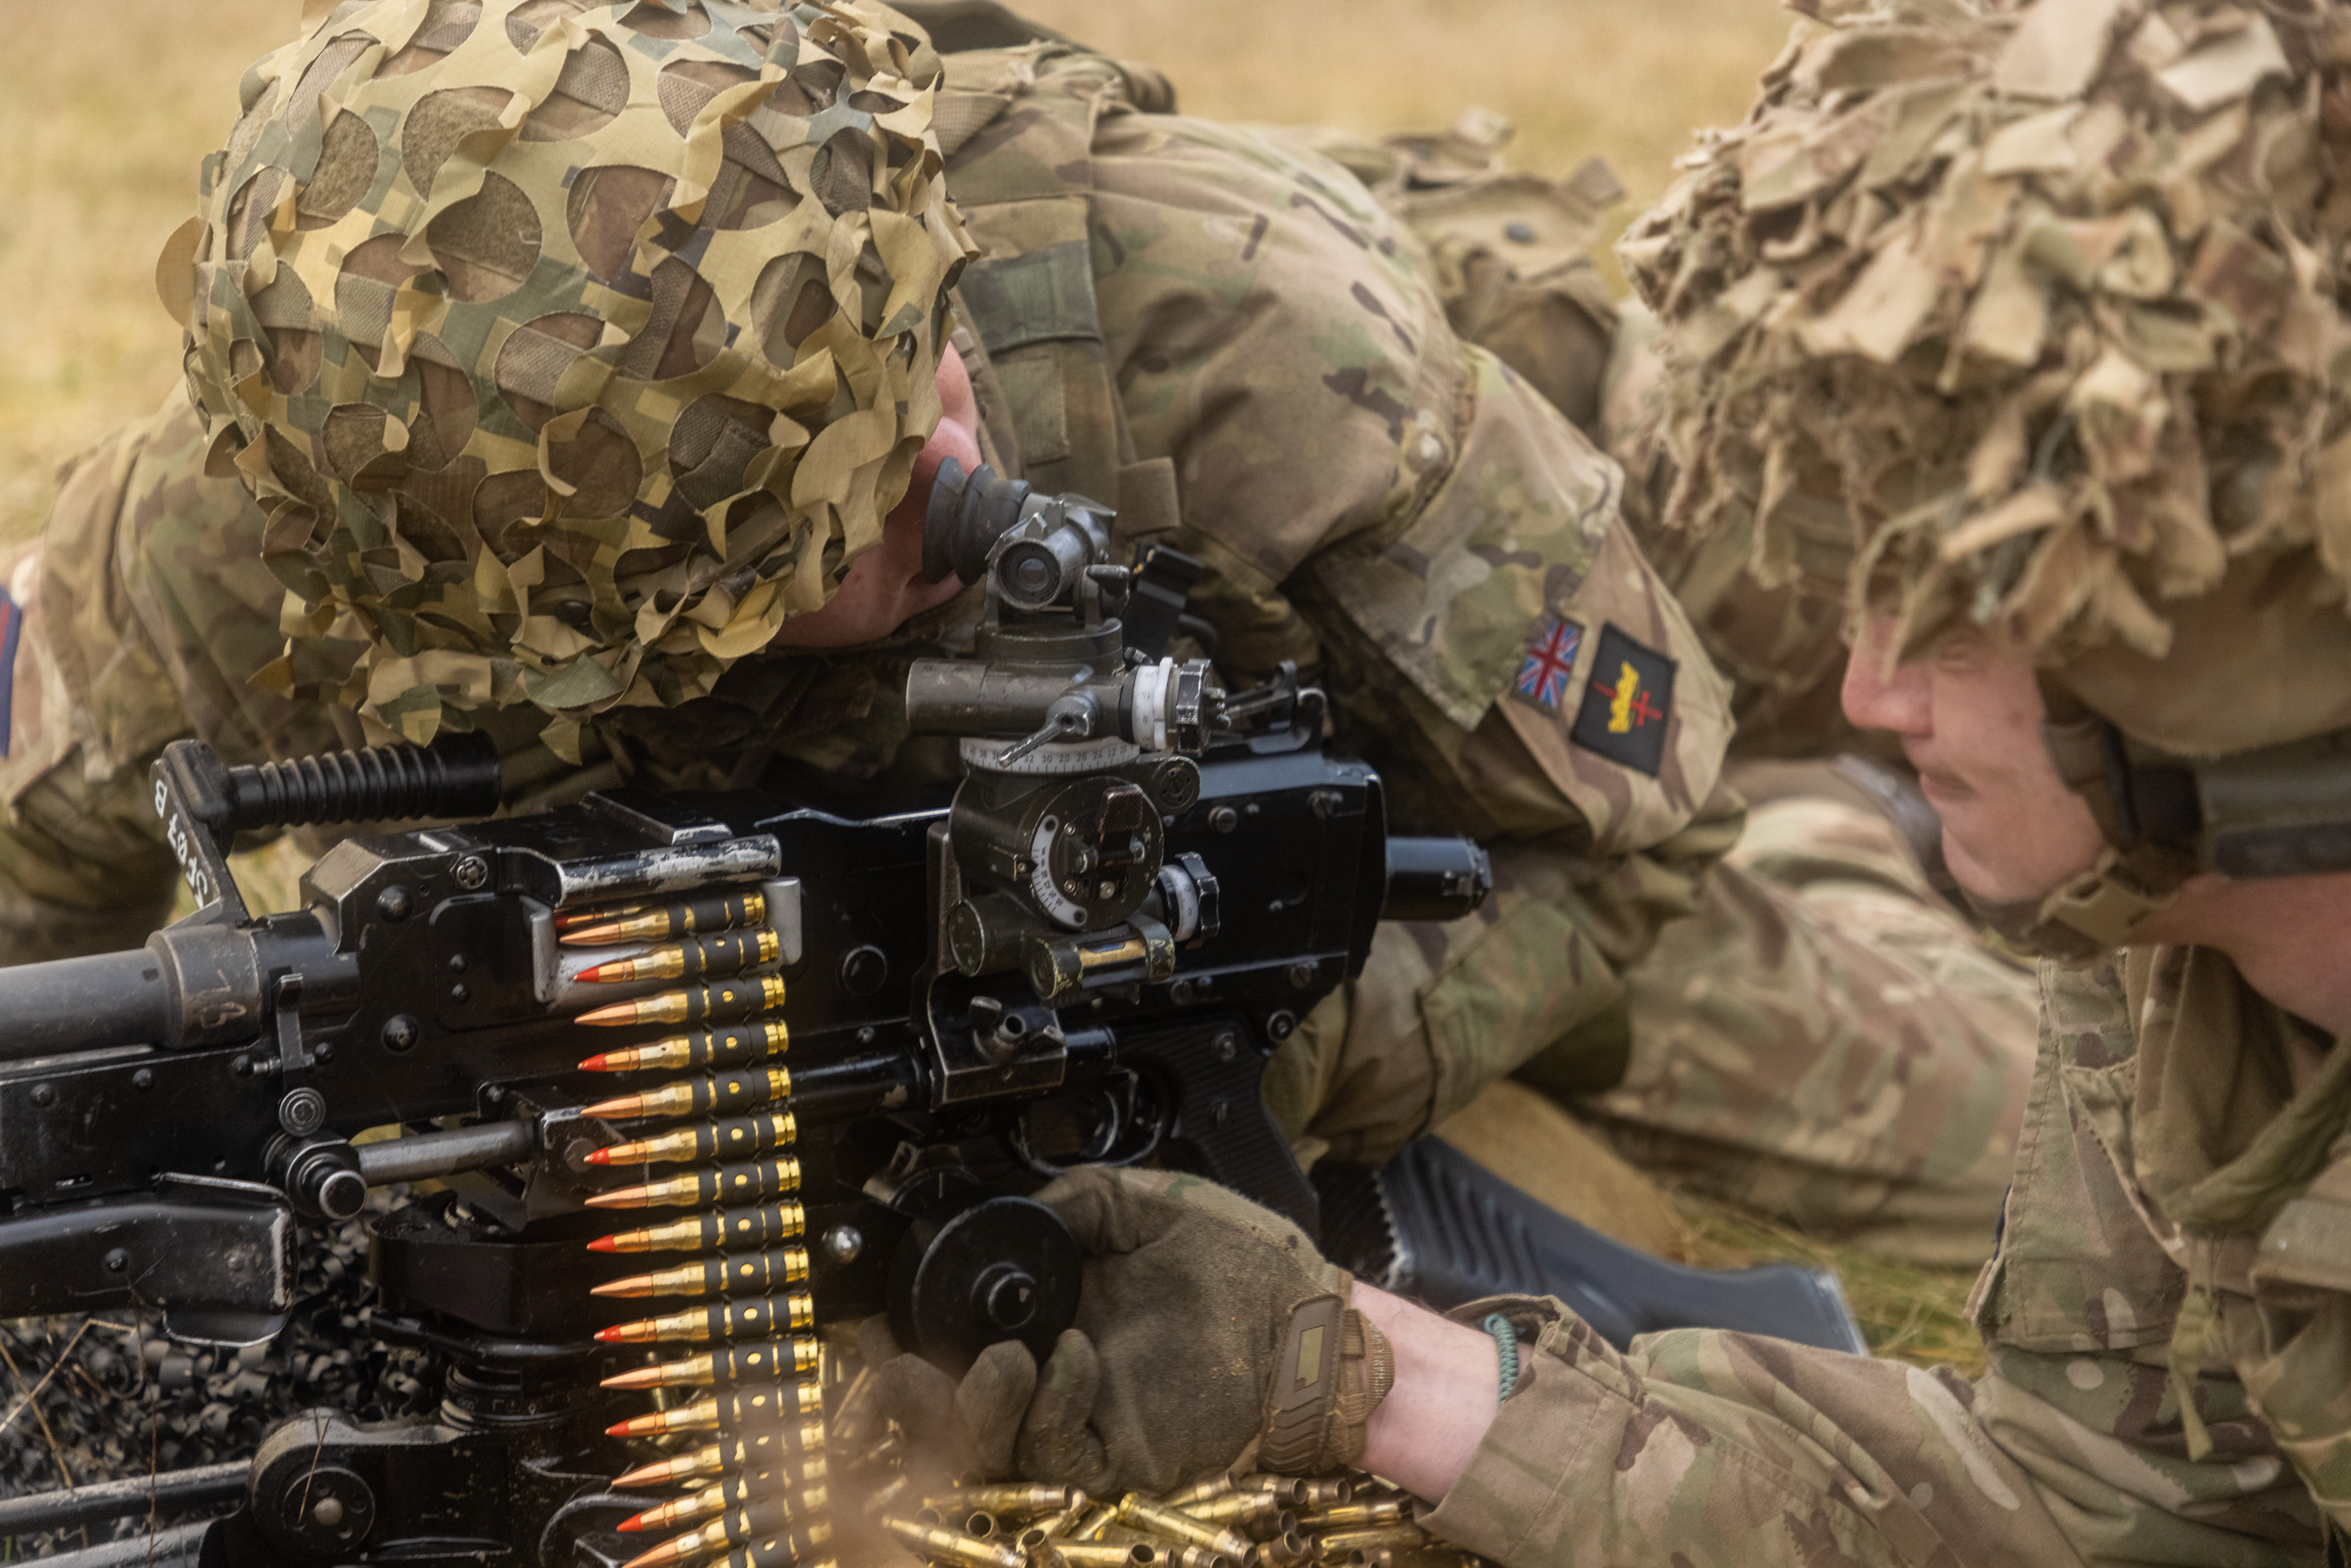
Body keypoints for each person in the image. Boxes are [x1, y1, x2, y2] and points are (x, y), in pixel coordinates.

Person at [0, 0, 2028, 1263]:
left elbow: (1636, 833)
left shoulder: (1251, 345)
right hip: (841, 896)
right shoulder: (262, 527)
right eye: (844, 508)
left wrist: (1258, 1048)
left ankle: (1868, 827)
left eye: (923, 360)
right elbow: (35, 909)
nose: (948, 442)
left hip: (1443, 754)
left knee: (2020, 1161)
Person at [907, 0, 2351, 1557]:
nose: (1871, 684)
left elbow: (1648, 812)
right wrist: (1359, 1375)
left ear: (2225, 675)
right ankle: (1832, 847)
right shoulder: (2157, 950)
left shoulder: (1258, 343)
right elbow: (2101, 1515)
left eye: (1956, 623)